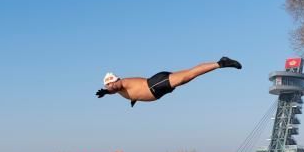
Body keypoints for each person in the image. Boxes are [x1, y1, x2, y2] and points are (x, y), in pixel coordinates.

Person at [96, 57, 242, 106]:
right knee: (190, 74)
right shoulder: (122, 90)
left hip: (155, 85)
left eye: (108, 84)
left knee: (190, 74)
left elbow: (115, 87)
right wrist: (134, 99)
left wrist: (106, 92)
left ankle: (221, 63)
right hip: (157, 88)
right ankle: (220, 63)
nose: (108, 87)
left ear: (112, 82)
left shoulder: (119, 84)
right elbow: (131, 92)